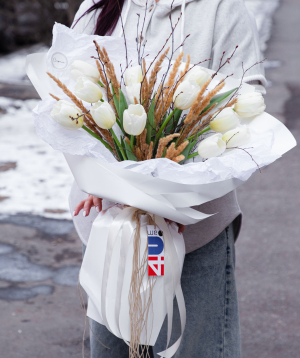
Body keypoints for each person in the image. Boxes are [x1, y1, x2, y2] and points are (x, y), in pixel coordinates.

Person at [70, 0, 266, 357]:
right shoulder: (98, 8)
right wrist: (98, 177)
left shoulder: (223, 12)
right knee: (114, 348)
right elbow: (69, 106)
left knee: (194, 348)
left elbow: (246, 107)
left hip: (193, 232)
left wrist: (175, 192)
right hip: (108, 228)